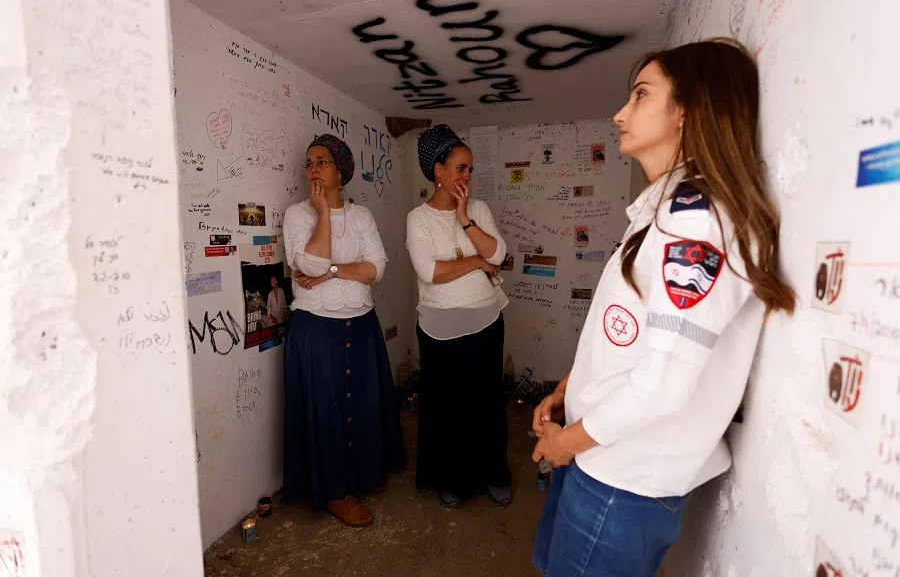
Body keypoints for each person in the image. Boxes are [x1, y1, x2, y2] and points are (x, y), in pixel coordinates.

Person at [531, 39, 796, 576]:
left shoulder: (698, 220)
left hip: (622, 478)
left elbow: (663, 385)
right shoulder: (666, 208)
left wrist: (566, 445)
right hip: (600, 455)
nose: (620, 113)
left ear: (687, 111)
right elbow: (627, 338)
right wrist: (568, 389)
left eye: (641, 95)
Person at [281, 134, 405, 528]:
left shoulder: (361, 215)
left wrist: (334, 270)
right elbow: (310, 268)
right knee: (328, 410)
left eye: (322, 161)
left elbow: (377, 268)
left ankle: (365, 476)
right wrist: (321, 214)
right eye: (309, 162)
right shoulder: (297, 215)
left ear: (340, 171)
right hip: (316, 328)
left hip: (361, 321)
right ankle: (335, 492)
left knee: (363, 404)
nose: (313, 168)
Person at [406, 124, 512, 509]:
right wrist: (476, 261)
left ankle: (494, 474)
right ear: (438, 170)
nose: (467, 176)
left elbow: (498, 255)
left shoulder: (478, 209)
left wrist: (465, 217)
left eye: (470, 169)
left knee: (488, 401)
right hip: (440, 328)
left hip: (486, 320)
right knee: (447, 405)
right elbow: (430, 273)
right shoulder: (417, 219)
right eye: (461, 168)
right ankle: (450, 478)